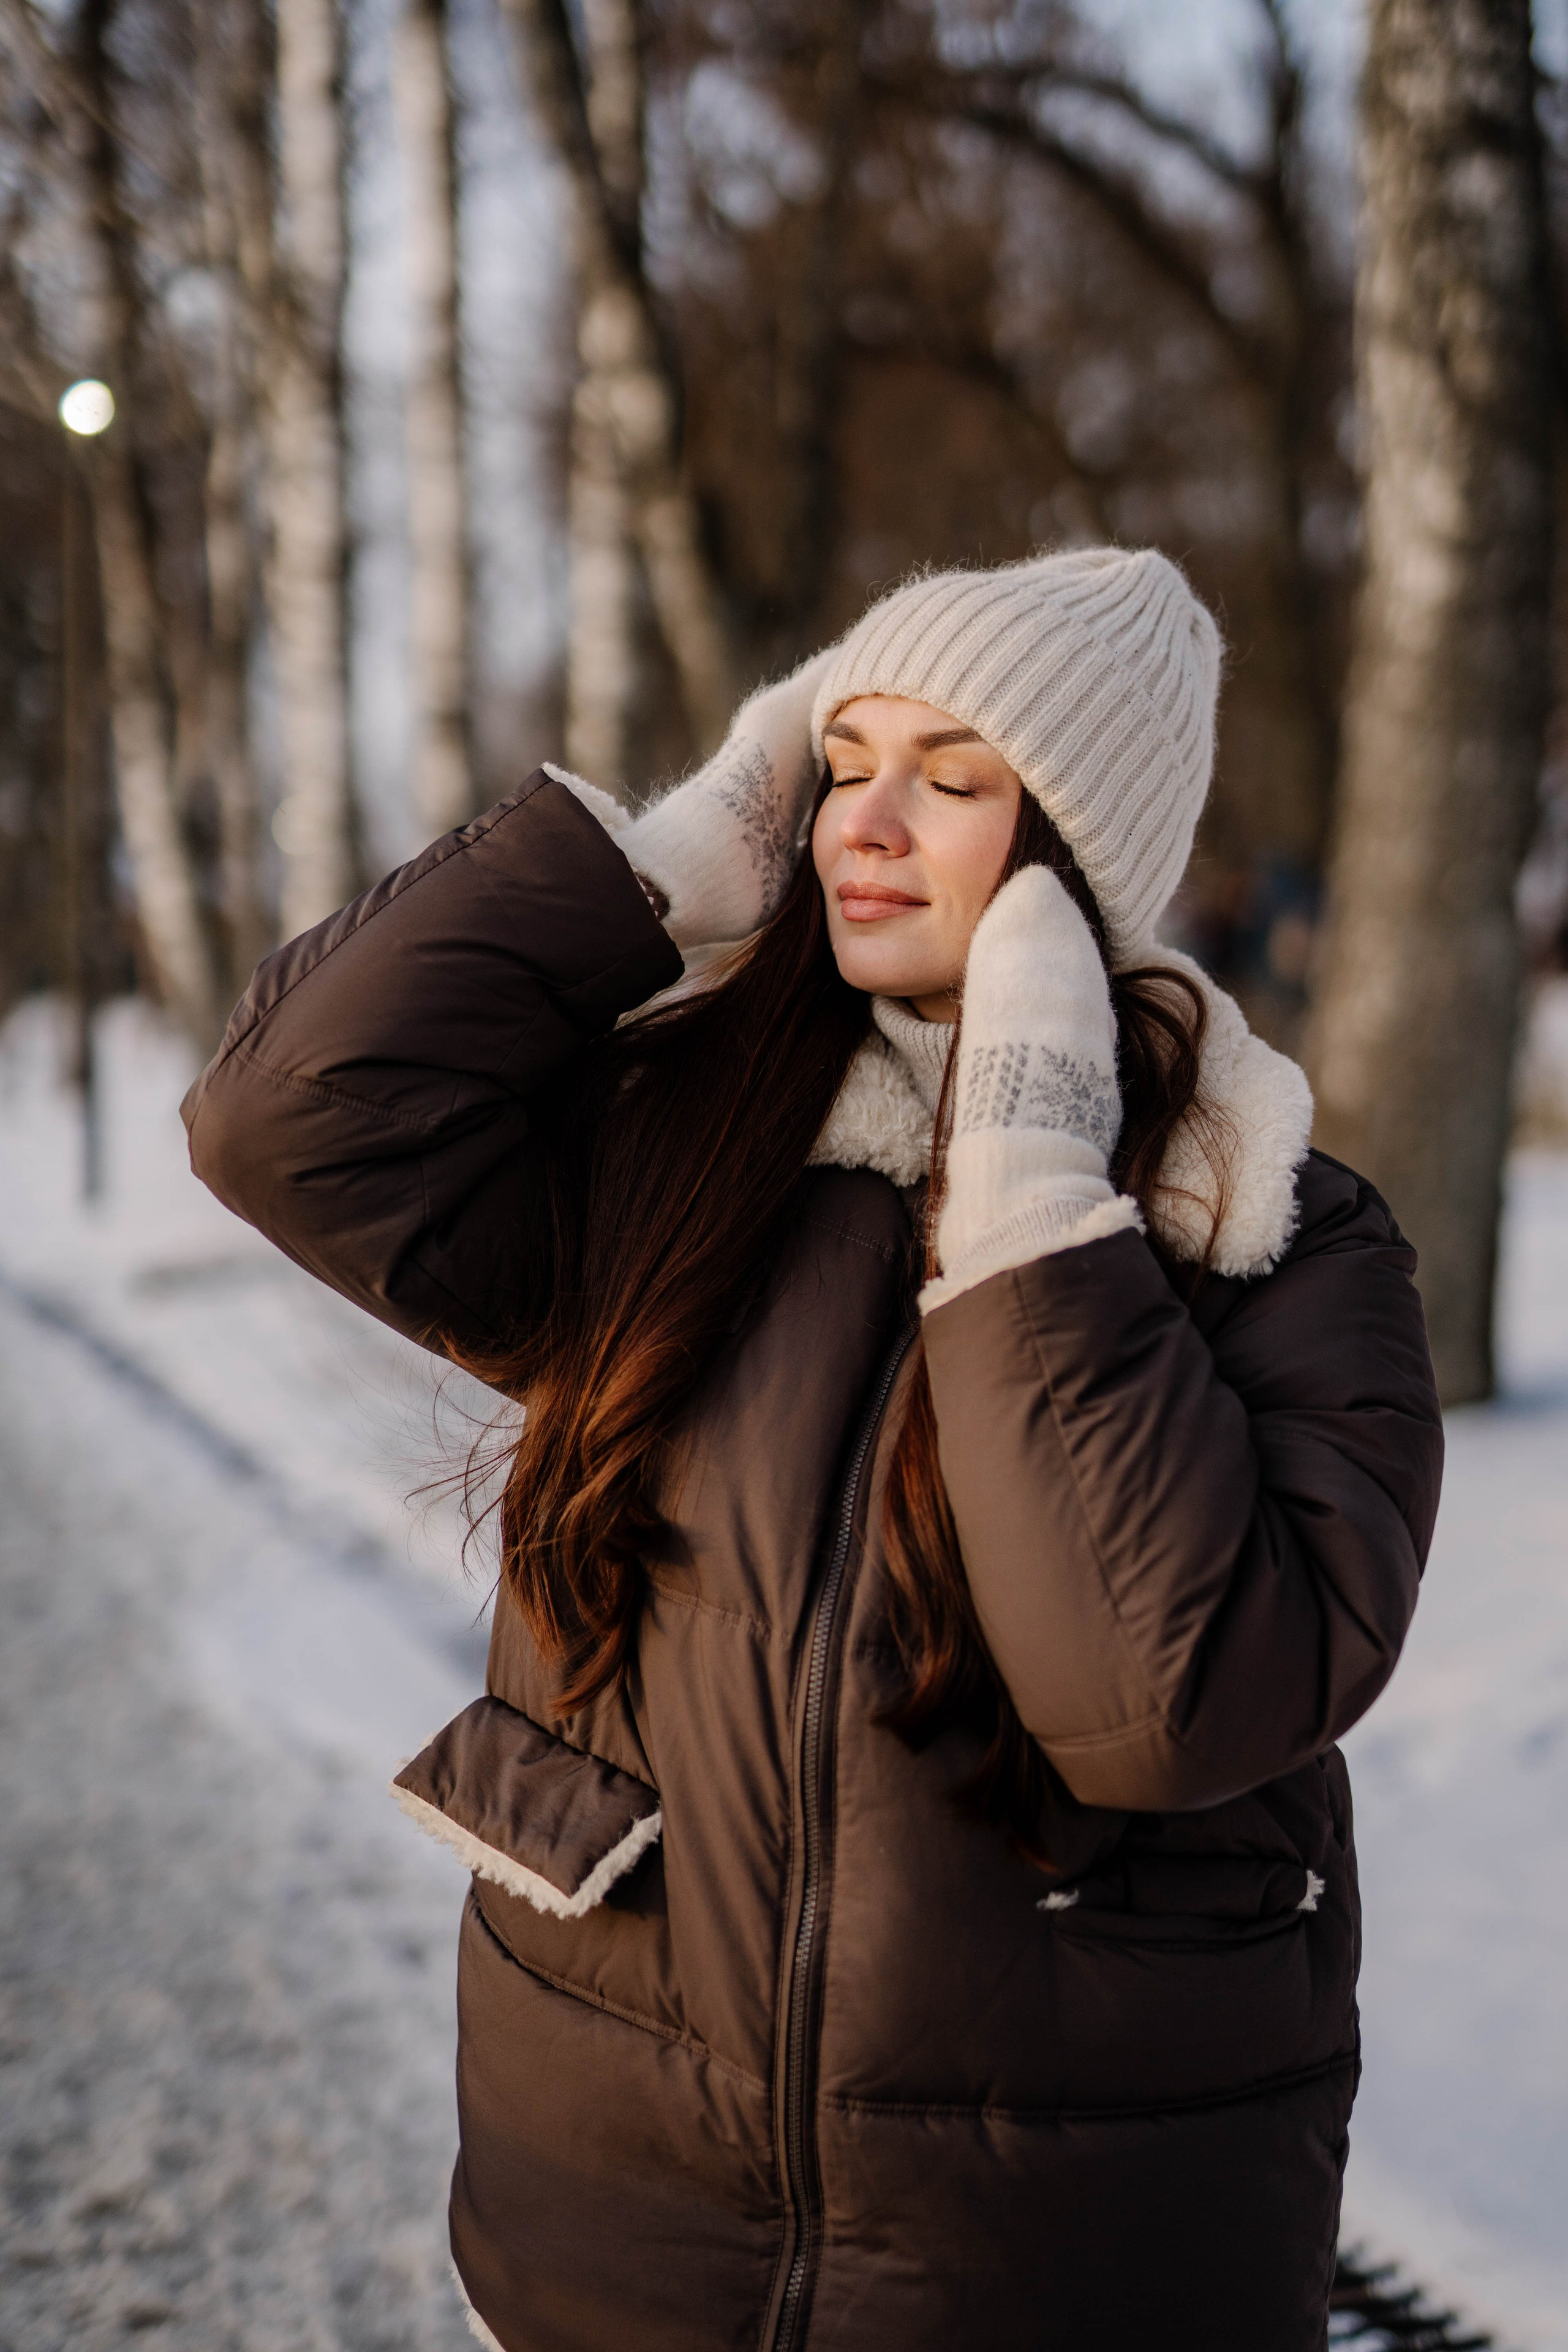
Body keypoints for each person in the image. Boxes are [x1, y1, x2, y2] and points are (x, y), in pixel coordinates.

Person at [183, 549, 1443, 2352]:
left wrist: (1027, 1174)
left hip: (1054, 2266)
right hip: (612, 2221)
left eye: (953, 776)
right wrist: (674, 864)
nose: (868, 818)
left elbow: (1167, 1696)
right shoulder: (691, 1149)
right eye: (843, 759)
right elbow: (282, 1120)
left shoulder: (1279, 1236)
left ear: (1077, 854)